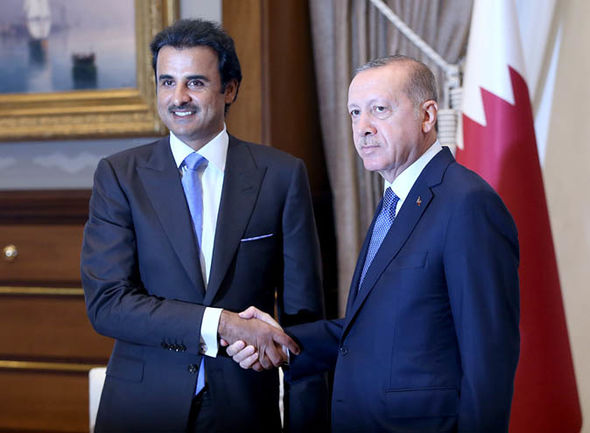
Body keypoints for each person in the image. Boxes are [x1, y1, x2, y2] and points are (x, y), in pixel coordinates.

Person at [227, 55, 520, 432]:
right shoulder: (394, 201)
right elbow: (376, 328)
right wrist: (281, 341)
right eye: (354, 113)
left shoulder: (467, 202)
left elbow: (488, 357)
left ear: (427, 116)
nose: (362, 128)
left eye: (379, 109)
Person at [80, 19, 328, 433]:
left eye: (195, 82)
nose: (178, 97)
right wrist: (222, 324)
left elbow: (304, 319)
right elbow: (108, 304)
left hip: (243, 410)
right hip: (142, 408)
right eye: (167, 82)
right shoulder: (120, 176)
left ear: (229, 89)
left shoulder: (281, 176)